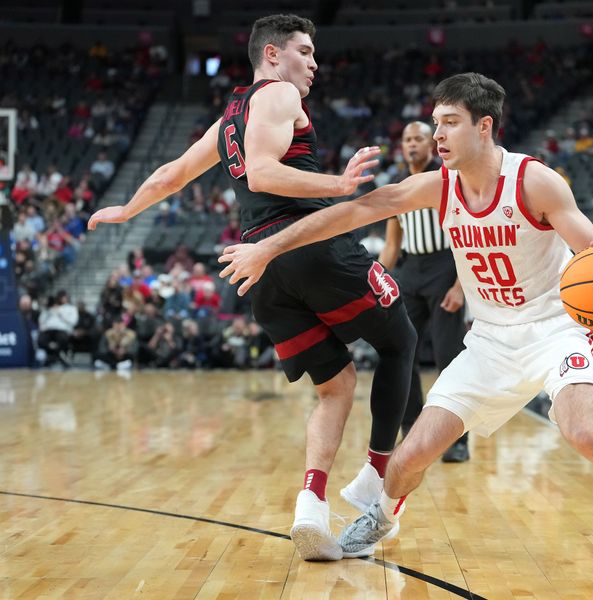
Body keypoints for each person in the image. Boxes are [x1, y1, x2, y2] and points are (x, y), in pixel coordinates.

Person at [218, 73, 593, 580]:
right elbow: (357, 211)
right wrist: (268, 245)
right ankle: (383, 517)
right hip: (490, 341)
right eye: (435, 122)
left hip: (555, 330)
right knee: (409, 457)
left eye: (450, 121)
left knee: (584, 431)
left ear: (484, 126)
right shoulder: (438, 185)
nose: (438, 134)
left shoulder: (535, 182)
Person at [87, 14, 417, 561]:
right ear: (271, 55)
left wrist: (127, 209)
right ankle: (375, 478)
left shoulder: (230, 117)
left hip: (260, 268)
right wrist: (338, 184)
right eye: (305, 52)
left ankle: (311, 504)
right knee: (401, 340)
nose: (314, 63)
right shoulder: (281, 95)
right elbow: (263, 173)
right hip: (308, 246)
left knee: (336, 387)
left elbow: (172, 174)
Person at [378, 121, 469, 462]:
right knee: (400, 353)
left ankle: (457, 439)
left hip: (446, 267)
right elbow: (391, 244)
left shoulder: (447, 181)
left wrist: (461, 286)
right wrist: (376, 279)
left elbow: (464, 236)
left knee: (449, 357)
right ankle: (414, 433)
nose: (412, 144)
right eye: (407, 139)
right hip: (411, 270)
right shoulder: (399, 187)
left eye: (418, 138)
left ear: (431, 146)